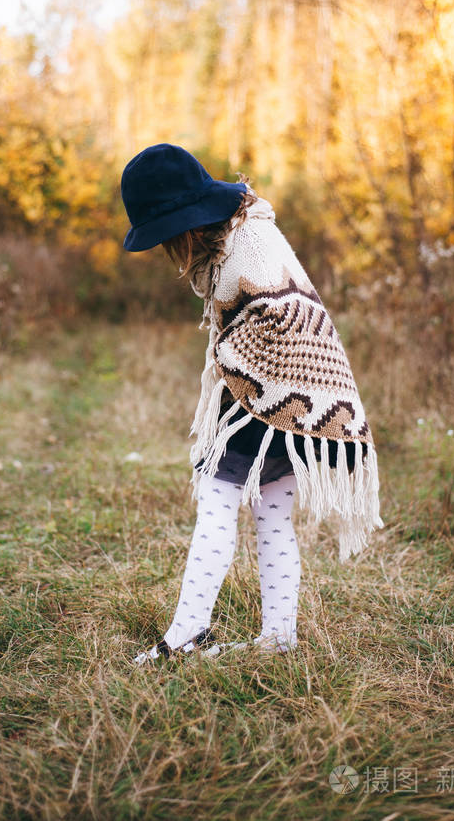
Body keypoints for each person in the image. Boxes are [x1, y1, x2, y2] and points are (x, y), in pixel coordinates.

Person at [120, 144, 384, 663]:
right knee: (271, 518)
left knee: (217, 505)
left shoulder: (251, 240)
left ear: (185, 220)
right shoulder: (237, 228)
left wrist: (232, 363)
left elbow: (279, 318)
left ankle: (187, 635)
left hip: (272, 394)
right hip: (279, 399)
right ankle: (277, 638)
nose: (171, 248)